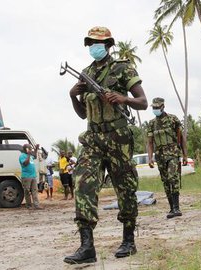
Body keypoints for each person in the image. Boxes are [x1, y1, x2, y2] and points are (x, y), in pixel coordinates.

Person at [64, 26, 147, 264]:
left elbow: (142, 102)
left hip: (118, 137)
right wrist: (72, 95)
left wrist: (123, 98)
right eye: (90, 42)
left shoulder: (122, 68)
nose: (93, 46)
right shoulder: (85, 73)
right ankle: (87, 246)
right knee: (82, 185)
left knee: (125, 188)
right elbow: (82, 114)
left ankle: (128, 240)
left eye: (97, 43)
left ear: (109, 45)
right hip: (92, 139)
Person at [147, 97, 187, 219]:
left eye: (157, 107)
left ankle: (176, 208)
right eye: (153, 108)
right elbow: (150, 142)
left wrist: (185, 155)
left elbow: (181, 138)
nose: (155, 109)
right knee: (165, 181)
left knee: (173, 177)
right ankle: (171, 208)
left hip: (173, 152)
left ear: (163, 107)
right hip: (160, 156)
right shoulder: (152, 123)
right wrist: (150, 158)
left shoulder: (172, 119)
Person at [19, 144, 43, 210]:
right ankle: (29, 205)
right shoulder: (22, 156)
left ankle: (36, 205)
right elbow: (25, 163)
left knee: (34, 191)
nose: (31, 150)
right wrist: (29, 155)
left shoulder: (29, 155)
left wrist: (36, 149)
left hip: (33, 176)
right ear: (26, 149)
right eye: (30, 148)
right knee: (27, 191)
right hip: (26, 176)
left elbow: (35, 156)